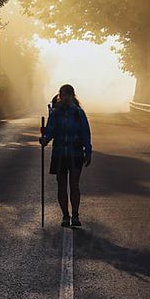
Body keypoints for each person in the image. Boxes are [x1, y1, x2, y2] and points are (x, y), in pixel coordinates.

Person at [39, 84, 92, 228]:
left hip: (76, 154)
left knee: (74, 185)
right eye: (64, 95)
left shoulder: (79, 113)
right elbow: (50, 132)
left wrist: (88, 152)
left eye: (69, 95)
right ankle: (65, 216)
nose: (66, 98)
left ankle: (75, 216)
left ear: (73, 96)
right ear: (60, 96)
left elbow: (85, 133)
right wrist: (44, 139)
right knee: (61, 185)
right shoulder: (55, 113)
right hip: (60, 155)